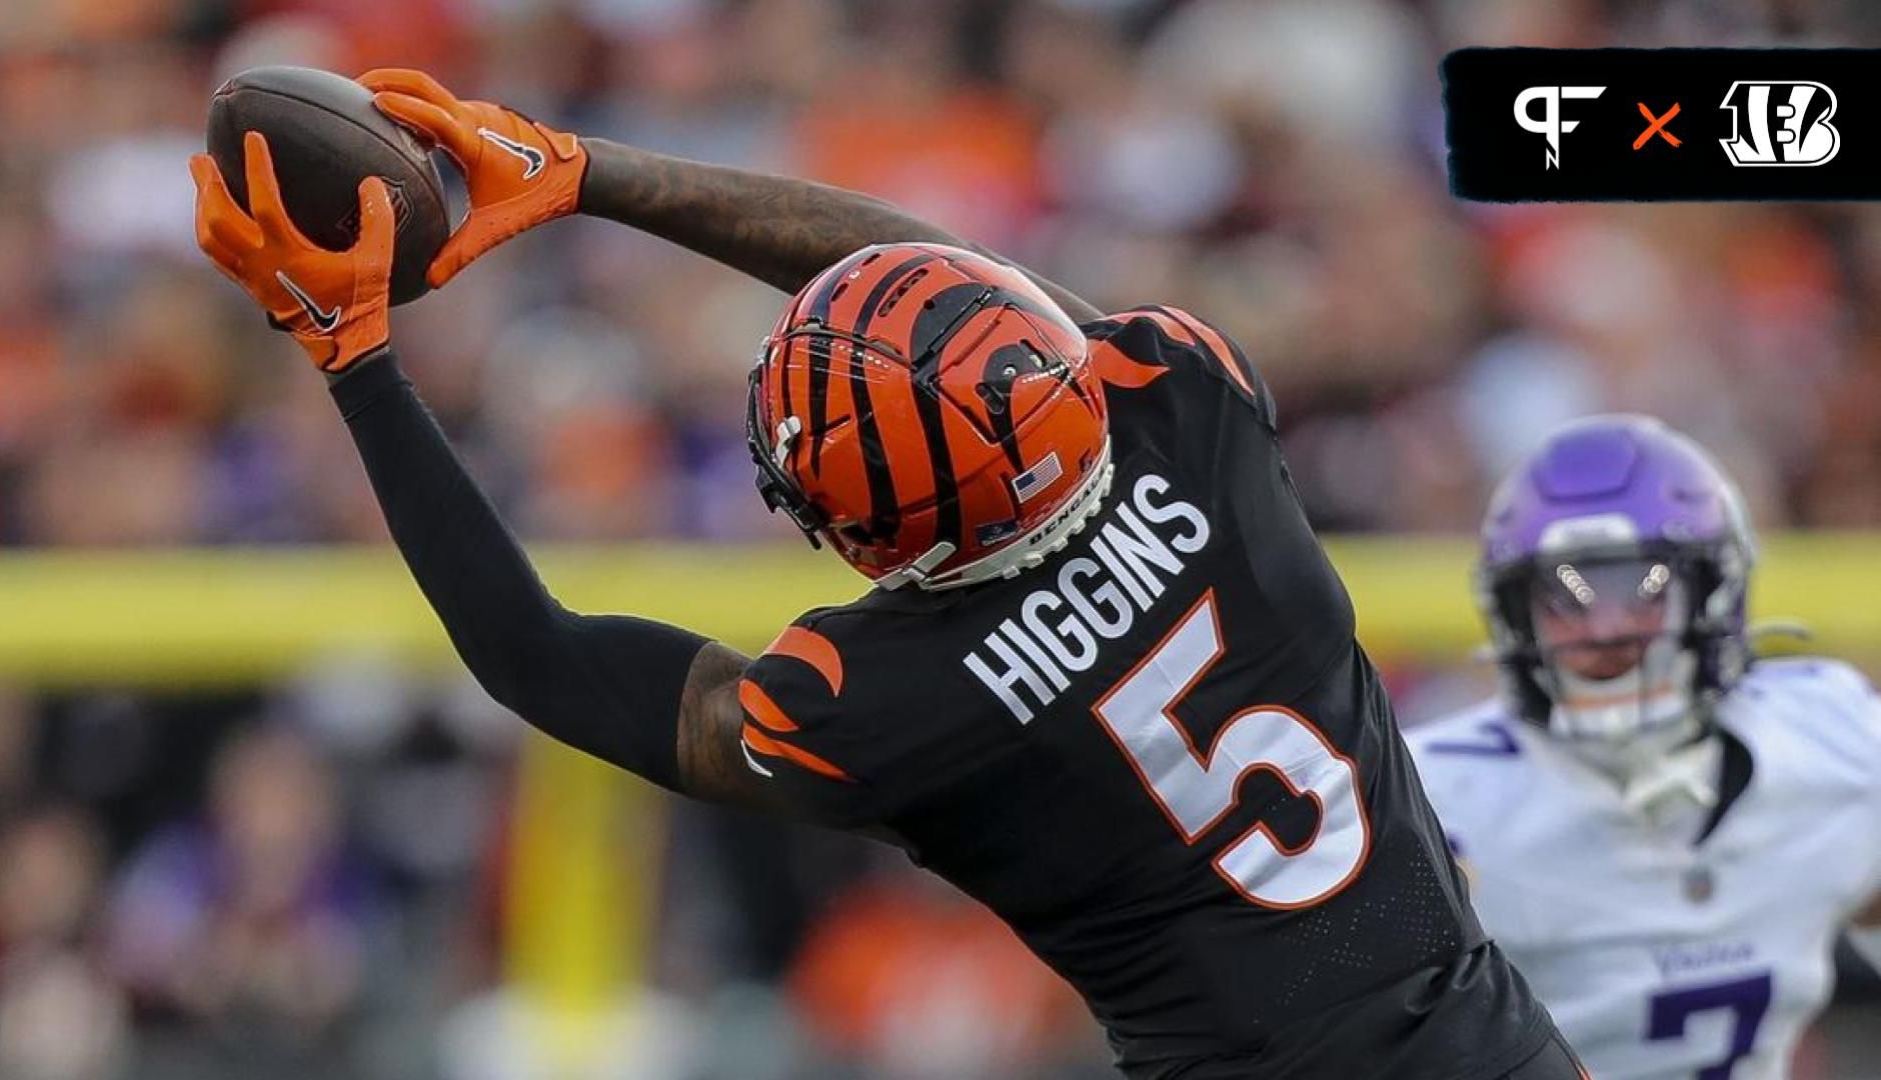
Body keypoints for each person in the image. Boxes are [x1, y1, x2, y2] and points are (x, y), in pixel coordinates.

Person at [188, 68, 1582, 1078]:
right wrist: (592, 170)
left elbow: (540, 655)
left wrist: (354, 360)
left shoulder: (897, 708)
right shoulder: (1186, 403)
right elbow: (947, 282)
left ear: (862, 533)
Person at [1406, 415, 1881, 1080]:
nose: (1606, 628)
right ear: (1515, 613)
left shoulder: (1835, 745)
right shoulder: (1439, 800)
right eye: (1566, 595)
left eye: (1646, 588)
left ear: (1715, 593)